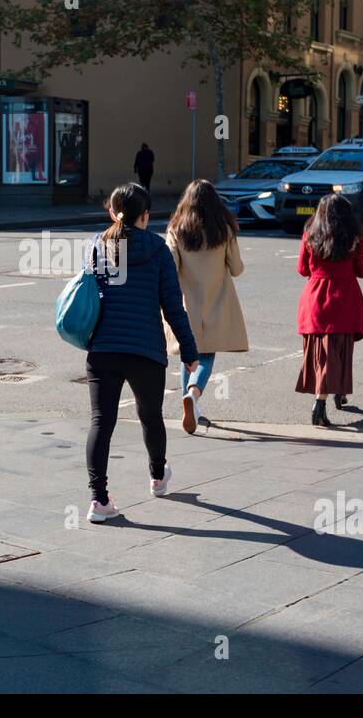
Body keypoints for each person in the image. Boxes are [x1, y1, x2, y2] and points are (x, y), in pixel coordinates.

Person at [84, 182, 199, 523]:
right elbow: (172, 307)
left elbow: (89, 294)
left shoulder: (98, 246)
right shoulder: (158, 249)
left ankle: (99, 501)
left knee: (101, 422)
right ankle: (158, 477)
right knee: (150, 416)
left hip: (103, 348)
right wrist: (189, 351)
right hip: (146, 350)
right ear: (146, 216)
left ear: (111, 212)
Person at [165, 179, 248, 434]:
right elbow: (236, 269)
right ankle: (193, 394)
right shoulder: (223, 230)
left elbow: (169, 267)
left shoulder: (177, 229)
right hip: (216, 302)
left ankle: (190, 406)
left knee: (187, 355)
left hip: (186, 304)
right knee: (208, 356)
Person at [295, 193, 363, 426]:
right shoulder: (355, 238)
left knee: (319, 351)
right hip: (344, 296)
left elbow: (302, 269)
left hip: (316, 296)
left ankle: (327, 395)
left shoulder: (310, 234)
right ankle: (324, 398)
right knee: (340, 349)